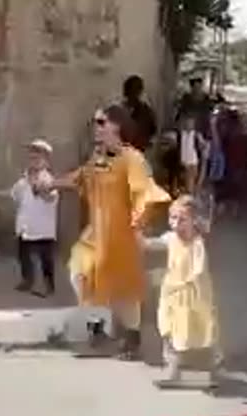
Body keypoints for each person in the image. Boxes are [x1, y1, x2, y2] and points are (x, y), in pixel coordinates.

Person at [54, 104, 171, 359]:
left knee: (125, 289)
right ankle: (98, 327)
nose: (96, 127)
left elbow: (143, 194)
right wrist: (51, 183)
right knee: (80, 270)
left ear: (117, 126)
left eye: (101, 122)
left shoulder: (133, 159)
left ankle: (132, 338)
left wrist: (139, 225)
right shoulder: (98, 159)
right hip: (97, 233)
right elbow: (80, 177)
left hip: (122, 234)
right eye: (95, 122)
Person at [145, 195, 220, 388]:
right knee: (169, 330)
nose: (175, 223)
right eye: (172, 218)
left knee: (199, 331)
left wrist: (189, 281)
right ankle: (173, 371)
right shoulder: (171, 238)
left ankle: (212, 363)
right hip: (172, 293)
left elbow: (199, 268)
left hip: (193, 295)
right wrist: (135, 234)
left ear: (194, 221)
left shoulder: (197, 244)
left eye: (181, 219)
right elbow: (152, 244)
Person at [6, 139, 58, 297]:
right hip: (25, 226)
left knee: (45, 258)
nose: (34, 160)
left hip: (43, 228)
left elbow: (51, 198)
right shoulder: (23, 180)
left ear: (46, 161)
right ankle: (27, 280)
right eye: (32, 157)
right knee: (23, 255)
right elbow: (14, 194)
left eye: (38, 157)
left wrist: (39, 189)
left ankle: (49, 286)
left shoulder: (48, 179)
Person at [122, 75, 159, 153]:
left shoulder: (146, 112)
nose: (133, 95)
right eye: (131, 91)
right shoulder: (119, 111)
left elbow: (153, 132)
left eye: (135, 91)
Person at [177, 115, 208, 197]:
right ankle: (190, 195)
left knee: (191, 179)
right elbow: (179, 146)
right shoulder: (181, 134)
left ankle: (190, 194)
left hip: (193, 160)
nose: (189, 125)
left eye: (191, 123)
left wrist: (203, 146)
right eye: (187, 123)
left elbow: (203, 145)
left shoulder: (196, 135)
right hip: (184, 160)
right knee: (186, 180)